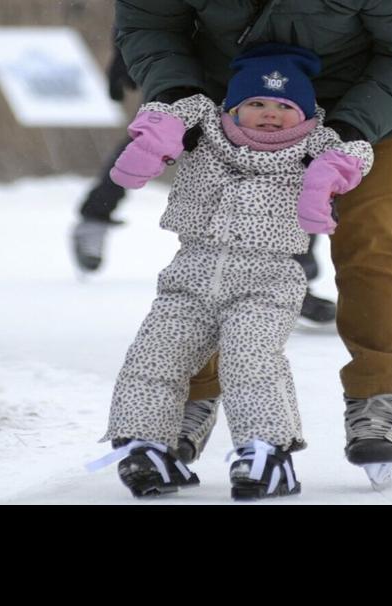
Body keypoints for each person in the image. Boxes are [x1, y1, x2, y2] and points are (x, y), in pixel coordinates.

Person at [115, 0, 392, 487]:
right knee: (218, 241)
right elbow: (150, 21)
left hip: (377, 100)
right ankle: (193, 394)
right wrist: (177, 97)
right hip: (236, 96)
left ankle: (379, 397)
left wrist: (349, 135)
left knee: (373, 241)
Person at [88, 45, 373, 500]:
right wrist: (156, 137)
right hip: (190, 275)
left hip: (267, 282)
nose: (269, 115)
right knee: (153, 357)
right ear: (233, 108)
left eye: (284, 106)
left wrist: (328, 177)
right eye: (255, 104)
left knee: (250, 362)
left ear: (303, 114)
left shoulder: (315, 147)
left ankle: (266, 453)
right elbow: (173, 109)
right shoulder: (207, 132)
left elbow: (356, 154)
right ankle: (146, 447)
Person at [72, 47, 343, 328]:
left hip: (287, 64)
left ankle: (292, 277)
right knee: (154, 140)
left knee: (294, 162)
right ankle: (95, 217)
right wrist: (124, 50)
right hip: (203, 58)